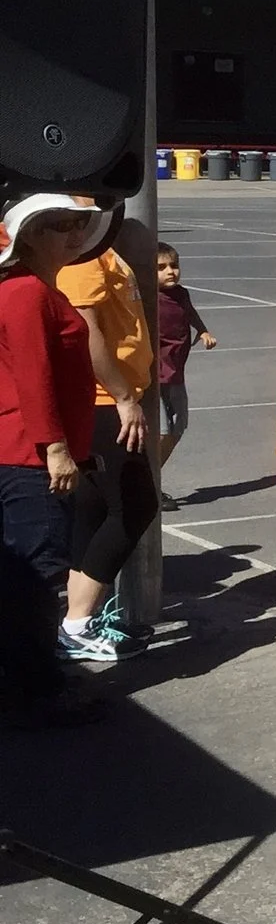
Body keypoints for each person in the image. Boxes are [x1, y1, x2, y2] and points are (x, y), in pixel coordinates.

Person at [0, 195, 114, 727]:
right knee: (37, 575)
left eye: (76, 227)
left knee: (26, 575)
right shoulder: (26, 292)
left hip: (26, 450)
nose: (71, 236)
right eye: (58, 228)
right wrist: (57, 449)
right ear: (28, 236)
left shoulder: (37, 288)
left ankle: (31, 681)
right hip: (26, 455)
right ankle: (37, 691)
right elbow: (33, 375)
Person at [55, 230, 159, 655]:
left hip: (109, 398)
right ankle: (76, 624)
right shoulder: (79, 255)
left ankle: (77, 620)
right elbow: (85, 331)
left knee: (94, 509)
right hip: (103, 401)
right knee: (135, 506)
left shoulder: (98, 247)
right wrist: (122, 396)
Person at [153, 243, 214, 472]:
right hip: (155, 376)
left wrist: (203, 330)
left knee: (177, 429)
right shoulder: (151, 298)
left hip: (175, 373)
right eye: (161, 267)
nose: (170, 271)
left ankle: (154, 478)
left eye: (174, 265)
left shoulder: (181, 294)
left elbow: (190, 313)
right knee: (162, 431)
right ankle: (149, 482)